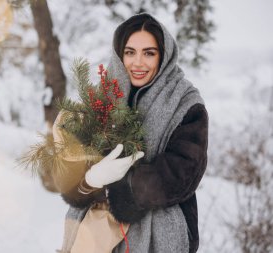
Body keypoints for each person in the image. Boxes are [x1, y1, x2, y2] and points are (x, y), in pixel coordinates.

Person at [57, 12, 208, 253]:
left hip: (159, 232)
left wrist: (120, 191)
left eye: (149, 53)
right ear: (120, 54)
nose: (138, 63)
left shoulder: (186, 103)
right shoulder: (101, 97)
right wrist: (90, 180)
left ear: (164, 54)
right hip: (95, 235)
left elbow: (182, 172)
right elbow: (69, 164)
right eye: (130, 52)